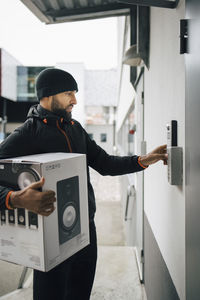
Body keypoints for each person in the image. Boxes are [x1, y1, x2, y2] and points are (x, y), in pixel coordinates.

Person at [0, 68, 167, 300]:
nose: (75, 100)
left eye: (75, 93)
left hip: (86, 231)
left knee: (80, 295)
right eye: (69, 93)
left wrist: (143, 160)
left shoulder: (75, 128)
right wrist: (15, 199)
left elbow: (105, 163)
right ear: (47, 95)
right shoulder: (26, 134)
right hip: (51, 236)